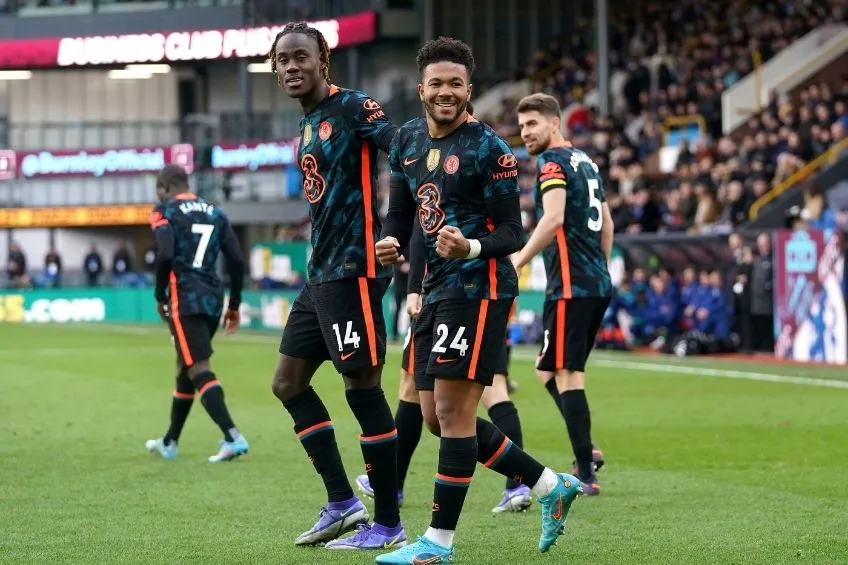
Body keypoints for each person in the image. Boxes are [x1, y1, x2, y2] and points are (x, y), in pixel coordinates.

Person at [375, 37, 581, 565]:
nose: (446, 92)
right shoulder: (405, 141)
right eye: (437, 83)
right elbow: (402, 212)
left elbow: (513, 231)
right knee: (436, 417)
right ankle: (548, 484)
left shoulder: (489, 149)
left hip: (481, 288)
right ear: (421, 88)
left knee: (452, 412)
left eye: (456, 84)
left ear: (471, 90)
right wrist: (390, 240)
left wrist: (470, 245)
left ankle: (437, 544)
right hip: (436, 286)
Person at [267, 22, 407, 550]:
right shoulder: (307, 125)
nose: (291, 67)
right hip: (320, 274)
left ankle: (389, 523)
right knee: (287, 383)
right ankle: (343, 502)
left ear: (323, 59)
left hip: (357, 270)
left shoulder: (354, 108)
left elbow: (406, 155)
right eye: (282, 61)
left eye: (300, 57)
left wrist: (393, 233)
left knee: (362, 389)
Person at [356, 244, 533, 515]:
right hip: (491, 289)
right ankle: (519, 485)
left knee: (418, 392)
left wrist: (414, 287)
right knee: (495, 390)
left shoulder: (439, 205)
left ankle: (394, 483)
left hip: (445, 293)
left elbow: (422, 226)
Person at [512, 93, 614, 496]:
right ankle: (587, 448)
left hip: (571, 287)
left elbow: (553, 218)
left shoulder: (552, 163)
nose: (526, 133)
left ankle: (586, 474)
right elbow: (607, 222)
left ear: (554, 124)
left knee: (569, 375)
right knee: (546, 369)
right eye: (522, 127)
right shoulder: (586, 161)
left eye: (533, 124)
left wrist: (519, 259)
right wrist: (600, 269)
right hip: (594, 284)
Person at [144, 164, 248, 463]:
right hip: (213, 299)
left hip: (184, 298)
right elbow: (237, 260)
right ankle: (170, 441)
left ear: (164, 187)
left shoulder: (164, 211)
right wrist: (234, 304)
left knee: (198, 366)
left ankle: (233, 436)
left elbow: (165, 254)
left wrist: (160, 294)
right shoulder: (215, 211)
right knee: (185, 367)